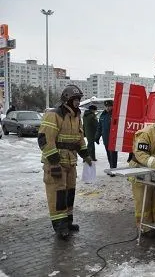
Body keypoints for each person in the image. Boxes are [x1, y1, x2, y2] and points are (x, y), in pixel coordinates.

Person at [37, 85, 92, 240]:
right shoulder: (54, 114)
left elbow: (79, 139)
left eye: (79, 99)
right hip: (56, 163)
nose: (77, 102)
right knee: (58, 195)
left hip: (70, 162)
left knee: (69, 193)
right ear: (67, 99)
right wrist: (53, 163)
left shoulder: (76, 116)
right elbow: (45, 139)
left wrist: (86, 155)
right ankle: (59, 226)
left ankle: (67, 222)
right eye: (75, 99)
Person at [95, 100, 117, 176]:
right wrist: (97, 137)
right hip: (106, 138)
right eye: (106, 106)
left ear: (112, 106)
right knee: (108, 154)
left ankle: (113, 169)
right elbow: (99, 128)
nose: (108, 108)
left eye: (109, 106)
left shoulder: (115, 114)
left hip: (113, 138)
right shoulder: (103, 115)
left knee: (113, 154)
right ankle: (111, 167)